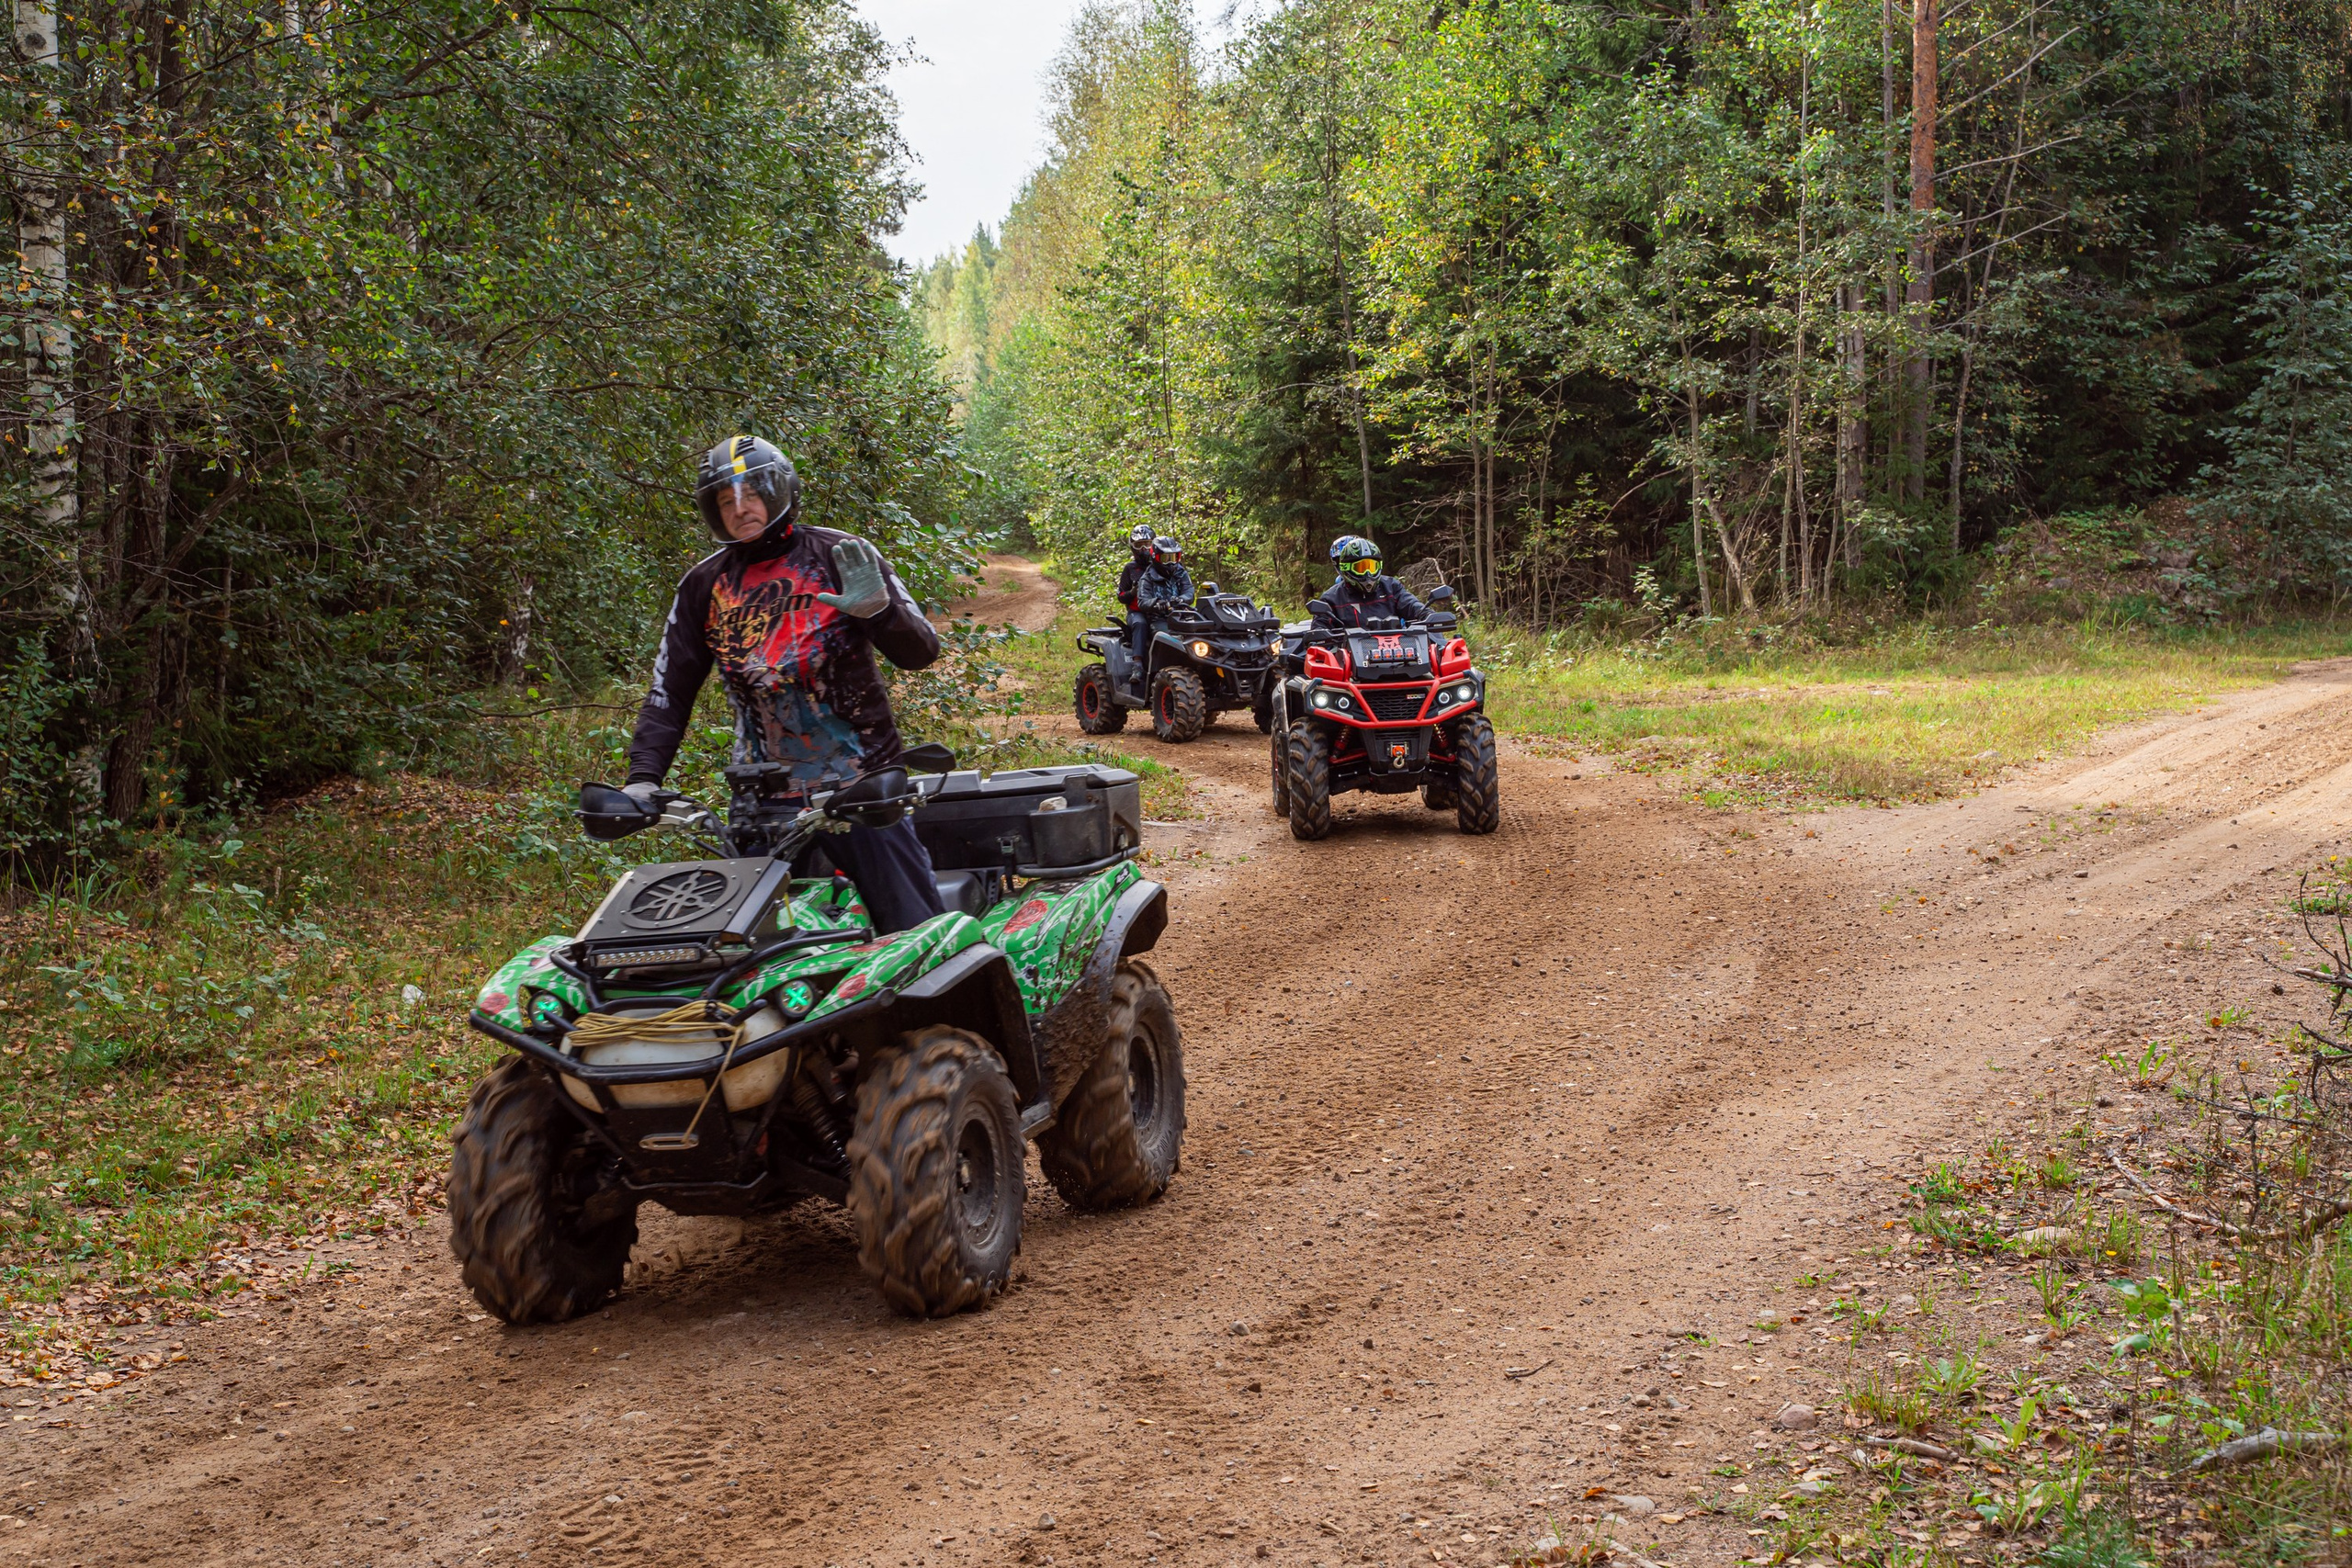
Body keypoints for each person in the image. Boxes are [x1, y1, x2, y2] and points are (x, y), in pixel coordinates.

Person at [621, 435, 946, 933]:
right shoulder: (704, 585)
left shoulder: (839, 555)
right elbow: (669, 693)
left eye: (751, 494)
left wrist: (880, 612)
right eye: (725, 501)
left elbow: (920, 652)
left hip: (861, 789)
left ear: (781, 492)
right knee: (745, 947)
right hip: (761, 802)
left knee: (915, 935)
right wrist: (643, 780)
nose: (740, 509)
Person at [1309, 535, 1429, 629]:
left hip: (1400, 648)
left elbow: (1412, 605)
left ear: (1379, 566)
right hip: (1349, 652)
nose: (1367, 574)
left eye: (1371, 567)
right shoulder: (1331, 599)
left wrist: (1427, 615)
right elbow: (1319, 631)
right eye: (1360, 568)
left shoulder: (1391, 587)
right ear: (1346, 568)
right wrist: (1320, 633)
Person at [1125, 534, 1195, 670]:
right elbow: (1143, 601)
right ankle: (1145, 667)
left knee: (1206, 632)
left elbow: (1189, 592)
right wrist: (1157, 603)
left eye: (1174, 557)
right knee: (1172, 640)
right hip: (1159, 620)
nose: (1170, 562)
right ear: (1156, 558)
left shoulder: (1181, 573)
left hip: (1182, 616)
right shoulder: (1147, 578)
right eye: (1166, 558)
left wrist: (1182, 599)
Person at [1114, 523, 1157, 671]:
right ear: (1133, 547)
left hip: (1160, 610)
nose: (1144, 548)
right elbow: (1121, 596)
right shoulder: (1130, 568)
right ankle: (1137, 664)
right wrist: (1132, 592)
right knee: (1140, 624)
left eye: (1147, 544)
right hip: (1137, 612)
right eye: (1139, 545)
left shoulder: (1161, 566)